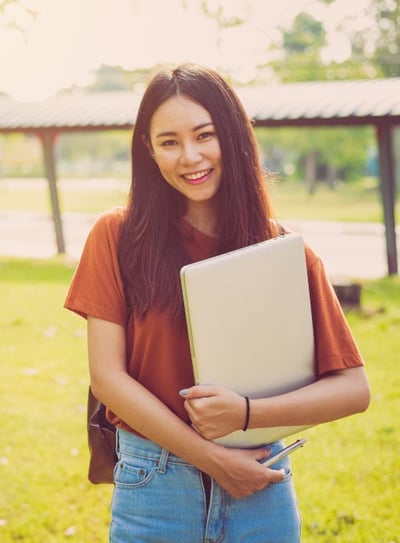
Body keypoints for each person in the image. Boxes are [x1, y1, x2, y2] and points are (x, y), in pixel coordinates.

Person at [64, 64, 370, 542]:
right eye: (169, 142)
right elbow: (108, 377)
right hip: (155, 485)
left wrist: (247, 414)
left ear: (233, 136)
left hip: (260, 485)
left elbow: (354, 388)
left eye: (204, 135)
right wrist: (212, 459)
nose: (190, 157)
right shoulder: (117, 235)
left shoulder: (285, 252)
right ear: (148, 149)